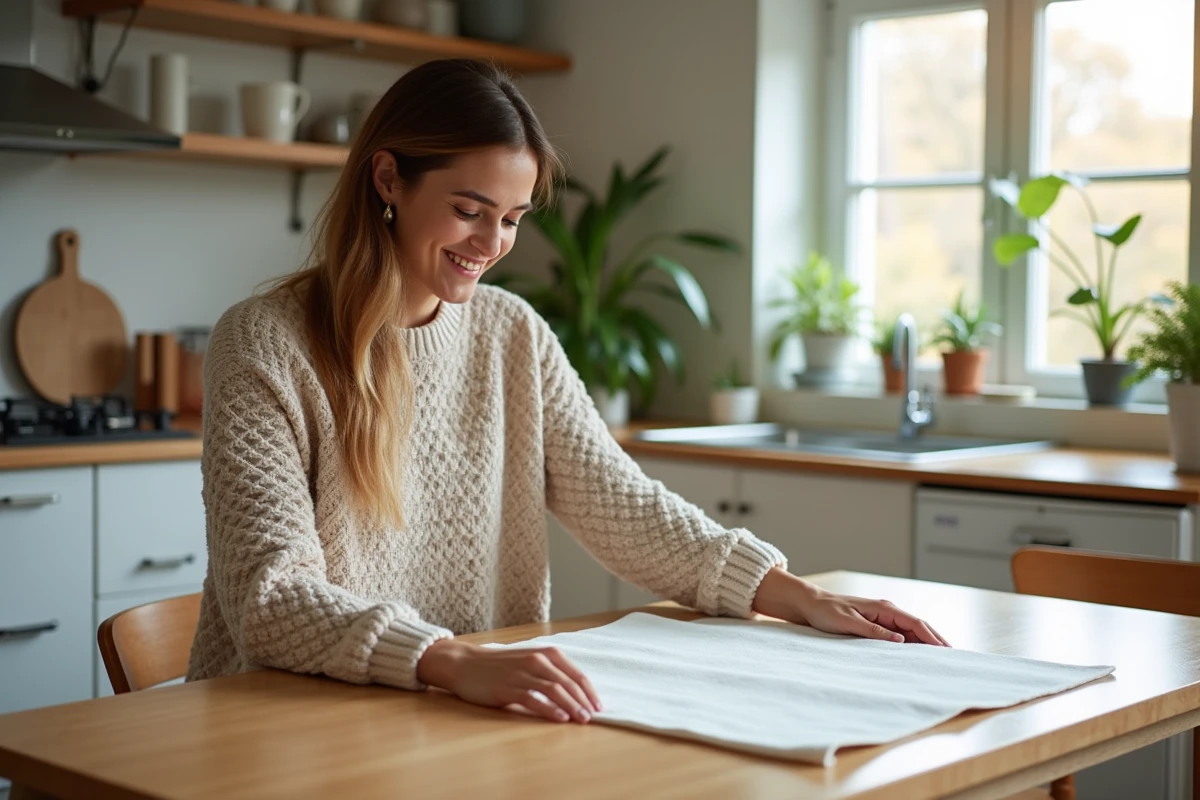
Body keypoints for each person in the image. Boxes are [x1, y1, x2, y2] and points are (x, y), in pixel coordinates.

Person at [186, 58, 947, 726]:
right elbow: (272, 598)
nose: (491, 245)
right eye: (468, 209)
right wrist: (449, 661)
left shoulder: (512, 334)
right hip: (287, 727)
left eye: (511, 219)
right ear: (388, 179)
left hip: (452, 719)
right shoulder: (263, 343)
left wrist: (793, 595)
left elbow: (624, 508)